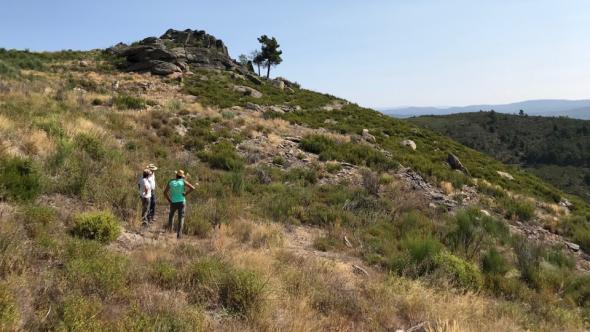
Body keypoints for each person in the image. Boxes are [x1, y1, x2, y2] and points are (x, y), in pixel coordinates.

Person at [164, 170, 196, 239]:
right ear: (182, 176)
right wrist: (185, 194)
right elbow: (193, 188)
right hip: (182, 201)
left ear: (176, 175)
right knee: (181, 218)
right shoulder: (183, 182)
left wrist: (169, 200)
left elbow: (165, 192)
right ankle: (179, 235)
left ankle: (170, 231)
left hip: (173, 202)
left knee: (171, 216)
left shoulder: (171, 182)